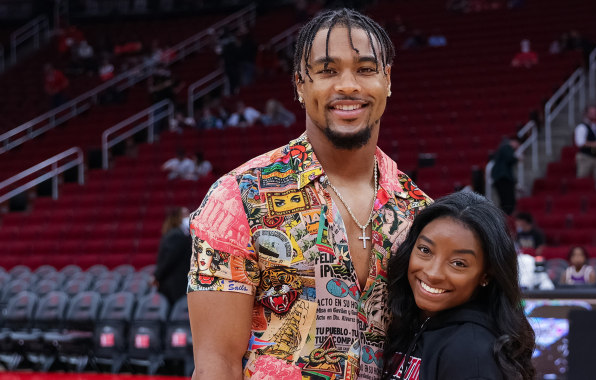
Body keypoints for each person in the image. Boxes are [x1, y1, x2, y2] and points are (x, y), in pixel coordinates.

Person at [187, 9, 431, 380]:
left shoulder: (421, 213)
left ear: (388, 81)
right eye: (328, 70)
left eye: (366, 69)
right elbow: (216, 364)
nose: (348, 85)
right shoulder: (239, 199)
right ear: (300, 84)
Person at [382, 191, 535, 380]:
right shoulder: (409, 323)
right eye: (425, 250)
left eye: (458, 263)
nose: (433, 273)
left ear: (486, 274)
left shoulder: (471, 352)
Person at [154, 207, 193, 305]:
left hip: (174, 283)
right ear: (177, 218)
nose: (189, 217)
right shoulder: (176, 235)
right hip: (174, 285)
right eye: (185, 215)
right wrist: (157, 276)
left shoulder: (179, 234)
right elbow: (168, 260)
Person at [574, 106, 596, 189]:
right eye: (592, 112)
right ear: (586, 114)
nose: (595, 114)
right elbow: (580, 143)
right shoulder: (582, 127)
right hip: (585, 157)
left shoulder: (594, 126)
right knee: (582, 180)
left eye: (595, 112)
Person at [491, 136, 520, 215]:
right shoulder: (506, 147)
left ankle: (505, 215)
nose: (518, 146)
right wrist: (517, 159)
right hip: (503, 178)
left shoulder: (502, 149)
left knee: (504, 200)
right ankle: (507, 215)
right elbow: (510, 158)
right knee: (508, 199)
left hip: (500, 178)